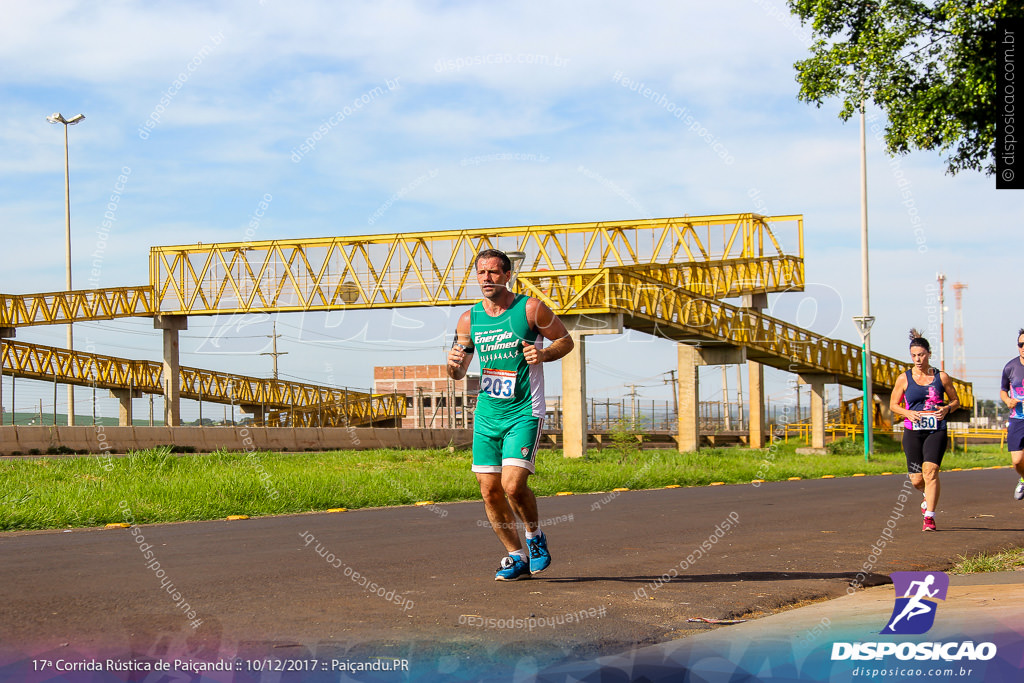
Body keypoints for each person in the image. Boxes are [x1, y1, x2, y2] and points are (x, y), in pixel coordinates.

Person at [447, 249, 575, 580]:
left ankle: (535, 537)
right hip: (488, 412)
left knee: (513, 486)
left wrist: (543, 353)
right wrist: (454, 366)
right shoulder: (468, 319)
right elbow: (460, 371)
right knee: (488, 489)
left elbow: (565, 340)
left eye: (493, 272)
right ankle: (516, 557)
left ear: (507, 276)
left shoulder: (530, 308)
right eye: (481, 273)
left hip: (524, 410)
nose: (486, 279)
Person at [889, 329, 961, 531]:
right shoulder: (904, 378)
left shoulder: (942, 377)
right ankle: (926, 495)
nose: (918, 359)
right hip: (913, 430)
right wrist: (907, 413)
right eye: (914, 356)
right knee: (917, 479)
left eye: (921, 355)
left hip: (936, 430)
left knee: (930, 472)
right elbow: (893, 405)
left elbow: (956, 401)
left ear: (928, 354)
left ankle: (929, 517)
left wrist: (947, 408)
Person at [999, 328, 1024, 500]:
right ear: (1018, 346)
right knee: (1016, 461)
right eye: (1021, 344)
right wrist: (1008, 401)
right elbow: (1002, 391)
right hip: (1017, 419)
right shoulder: (1010, 367)